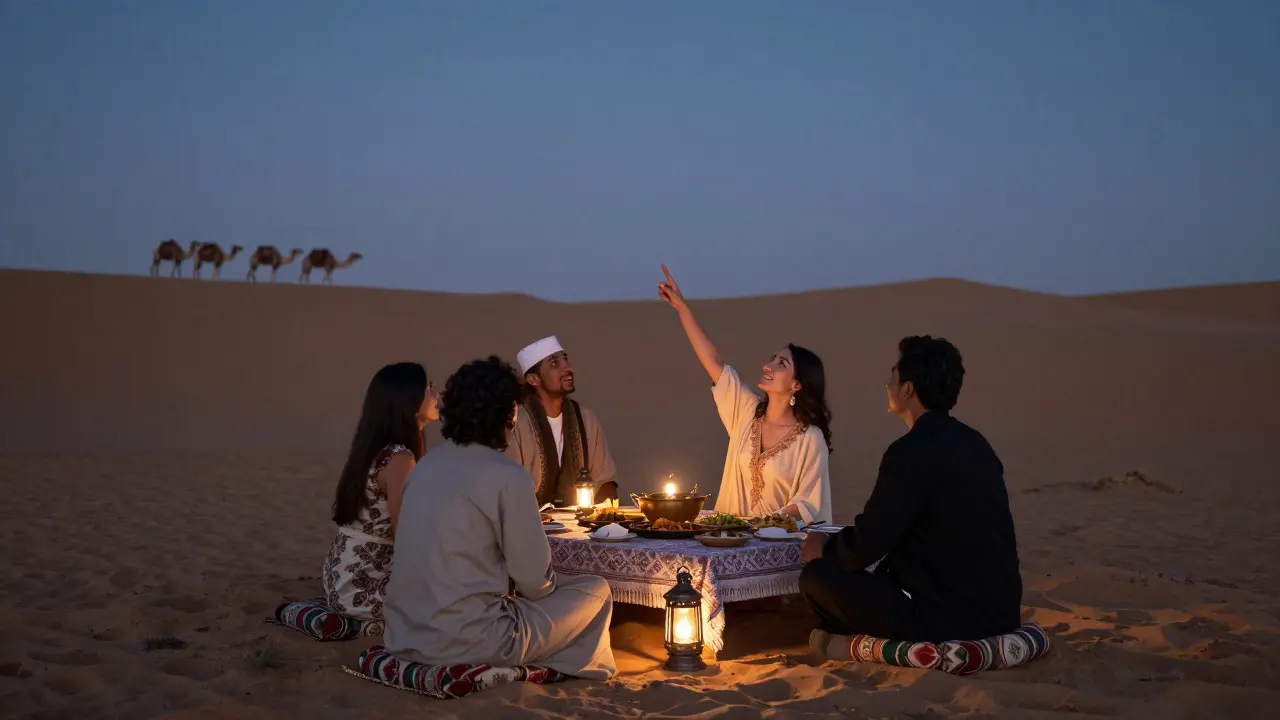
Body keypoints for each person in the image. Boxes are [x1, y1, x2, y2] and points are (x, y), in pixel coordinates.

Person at [382, 356, 616, 680]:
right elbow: (536, 584)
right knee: (596, 592)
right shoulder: (508, 475)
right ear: (507, 414)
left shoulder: (425, 465)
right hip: (469, 641)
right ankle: (558, 669)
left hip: (402, 636)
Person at [799, 336, 1023, 654]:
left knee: (817, 577)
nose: (887, 385)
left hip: (947, 621)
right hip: (1000, 614)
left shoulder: (909, 452)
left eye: (893, 377)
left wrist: (824, 548)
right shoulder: (977, 444)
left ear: (908, 389)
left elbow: (867, 544)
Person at [657, 265, 833, 523]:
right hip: (728, 543)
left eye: (781, 364)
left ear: (797, 385)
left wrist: (760, 525)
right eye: (772, 359)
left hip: (775, 552)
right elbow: (714, 362)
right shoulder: (746, 413)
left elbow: (808, 503)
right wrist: (683, 309)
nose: (768, 366)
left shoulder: (810, 439)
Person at [322, 362, 439, 626]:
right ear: (409, 401)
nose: (435, 395)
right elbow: (407, 537)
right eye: (429, 388)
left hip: (339, 574)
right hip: (362, 584)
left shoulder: (381, 449)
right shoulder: (399, 458)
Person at [505, 335, 619, 506]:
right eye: (554, 363)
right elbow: (508, 487)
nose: (568, 368)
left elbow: (605, 482)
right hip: (531, 524)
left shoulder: (586, 419)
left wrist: (604, 520)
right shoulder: (516, 422)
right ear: (533, 379)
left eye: (565, 359)